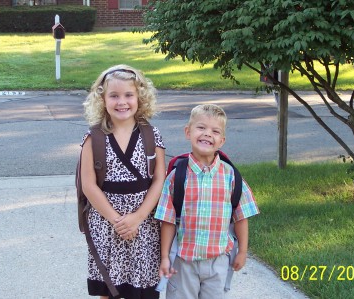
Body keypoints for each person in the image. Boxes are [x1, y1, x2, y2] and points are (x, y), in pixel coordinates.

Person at [154, 104, 259, 299]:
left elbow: (241, 217)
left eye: (215, 131)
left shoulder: (231, 177)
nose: (207, 134)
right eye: (201, 128)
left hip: (217, 262)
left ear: (222, 140)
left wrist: (242, 251)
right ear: (188, 132)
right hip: (183, 262)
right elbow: (168, 220)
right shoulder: (177, 177)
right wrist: (165, 257)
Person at [81, 64, 166, 299]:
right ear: (102, 99)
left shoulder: (151, 134)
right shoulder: (93, 137)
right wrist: (118, 221)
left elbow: (159, 179)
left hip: (144, 225)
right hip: (106, 225)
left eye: (129, 95)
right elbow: (89, 185)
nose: (122, 102)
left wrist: (136, 218)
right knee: (110, 289)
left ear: (140, 97)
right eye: (114, 96)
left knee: (144, 288)